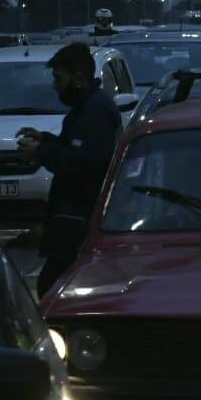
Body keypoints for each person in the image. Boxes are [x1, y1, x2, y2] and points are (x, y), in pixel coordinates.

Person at [17, 43, 123, 297]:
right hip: (73, 214)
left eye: (58, 79)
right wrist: (44, 139)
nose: (55, 86)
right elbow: (72, 147)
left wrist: (41, 153)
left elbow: (83, 160)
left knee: (52, 287)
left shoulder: (96, 111)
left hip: (81, 214)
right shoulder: (87, 107)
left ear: (78, 78)